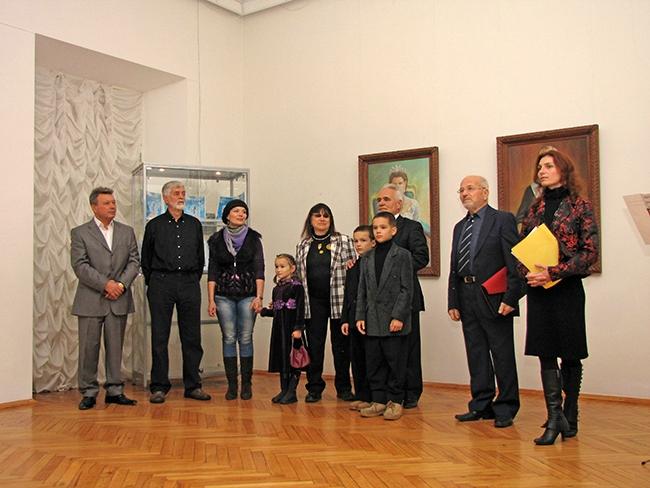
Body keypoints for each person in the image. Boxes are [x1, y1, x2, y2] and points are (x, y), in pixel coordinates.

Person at [521, 146, 599, 445]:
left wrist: (553, 273)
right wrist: (527, 271)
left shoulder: (580, 205)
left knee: (570, 351)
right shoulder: (535, 208)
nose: (542, 171)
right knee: (545, 352)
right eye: (540, 167)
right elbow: (522, 245)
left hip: (566, 289)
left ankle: (570, 412)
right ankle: (554, 416)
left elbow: (590, 253)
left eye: (549, 166)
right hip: (539, 290)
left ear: (563, 170)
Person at [447, 175, 525, 428]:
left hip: (495, 297)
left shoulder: (502, 219)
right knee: (476, 352)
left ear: (485, 192)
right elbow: (454, 266)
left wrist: (511, 297)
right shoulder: (459, 227)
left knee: (502, 354)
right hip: (466, 295)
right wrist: (453, 300)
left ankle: (506, 406)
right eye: (461, 190)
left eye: (470, 188)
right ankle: (481, 404)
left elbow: (515, 261)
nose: (464, 193)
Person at [141, 180, 211, 404]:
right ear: (165, 198)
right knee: (160, 336)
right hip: (161, 283)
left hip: (189, 283)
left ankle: (193, 385)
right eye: (176, 193)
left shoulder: (194, 224)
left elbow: (200, 257)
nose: (181, 196)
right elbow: (145, 260)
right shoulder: (154, 225)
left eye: (183, 193)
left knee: (192, 336)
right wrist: (156, 280)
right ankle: (159, 386)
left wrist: (190, 278)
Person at [71, 187, 140, 410]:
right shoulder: (80, 233)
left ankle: (115, 391)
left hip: (119, 299)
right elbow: (80, 265)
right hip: (90, 300)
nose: (112, 206)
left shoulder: (126, 231)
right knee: (88, 349)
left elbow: (134, 261)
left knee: (115, 347)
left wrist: (120, 285)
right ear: (94, 207)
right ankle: (89, 392)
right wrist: (105, 284)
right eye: (107, 203)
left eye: (113, 202)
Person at [295, 203, 356, 403]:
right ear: (310, 220)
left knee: (341, 346)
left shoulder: (344, 241)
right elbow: (299, 276)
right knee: (315, 346)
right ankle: (314, 388)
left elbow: (354, 270)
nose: (322, 219)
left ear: (330, 220)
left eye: (326, 216)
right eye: (317, 216)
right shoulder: (303, 245)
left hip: (339, 300)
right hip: (313, 302)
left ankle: (344, 388)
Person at [355, 212, 413, 421]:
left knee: (395, 362)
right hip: (372, 319)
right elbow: (362, 289)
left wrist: (398, 316)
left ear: (393, 230)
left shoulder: (402, 255)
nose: (378, 231)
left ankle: (395, 401)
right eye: (375, 228)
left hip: (393, 320)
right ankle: (378, 400)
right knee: (374, 362)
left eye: (383, 227)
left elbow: (407, 289)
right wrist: (360, 315)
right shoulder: (367, 257)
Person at [375, 184, 428, 408]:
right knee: (385, 350)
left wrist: (395, 273)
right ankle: (389, 393)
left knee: (409, 348)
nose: (381, 203)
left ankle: (411, 393)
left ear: (399, 204)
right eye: (379, 200)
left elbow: (422, 257)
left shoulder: (411, 227)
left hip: (406, 298)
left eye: (386, 199)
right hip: (380, 302)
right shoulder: (375, 229)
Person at [207, 199, 264, 400]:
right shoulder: (216, 240)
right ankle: (232, 385)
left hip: (248, 295)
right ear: (227, 215)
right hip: (223, 296)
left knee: (246, 337)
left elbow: (260, 269)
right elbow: (212, 271)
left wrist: (259, 297)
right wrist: (211, 300)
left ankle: (246, 384)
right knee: (229, 337)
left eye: (244, 211)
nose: (241, 214)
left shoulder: (254, 238)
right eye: (236, 211)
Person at [261, 254, 305, 404]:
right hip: (279, 329)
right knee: (282, 358)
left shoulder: (296, 287)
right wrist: (263, 311)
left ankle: (292, 392)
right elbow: (276, 311)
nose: (278, 270)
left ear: (292, 268)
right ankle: (284, 390)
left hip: (291, 329)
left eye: (282, 266)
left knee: (293, 359)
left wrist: (298, 328)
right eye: (276, 267)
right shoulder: (276, 289)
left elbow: (300, 309)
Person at [340, 225, 375, 411]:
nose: (358, 244)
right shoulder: (353, 267)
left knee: (371, 360)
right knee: (357, 359)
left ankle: (373, 397)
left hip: (370, 320)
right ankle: (361, 395)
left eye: (363, 240)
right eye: (356, 241)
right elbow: (348, 295)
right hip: (353, 319)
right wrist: (345, 319)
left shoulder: (374, 265)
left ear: (373, 242)